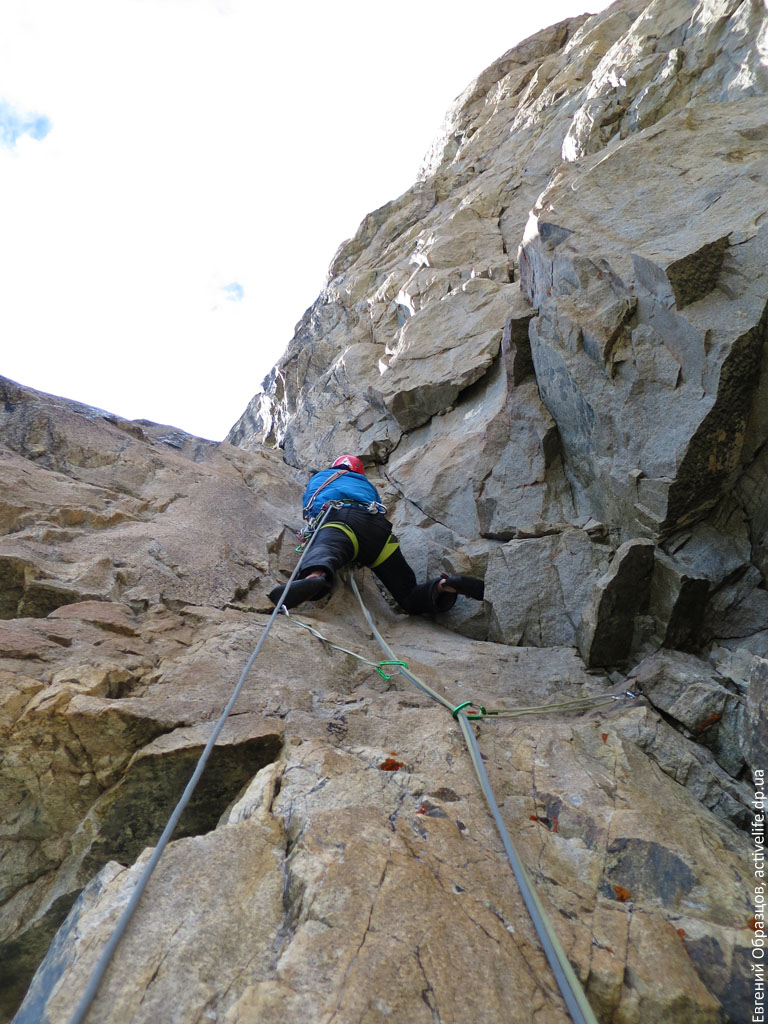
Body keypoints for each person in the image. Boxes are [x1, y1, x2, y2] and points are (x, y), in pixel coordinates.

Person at [268, 455, 485, 614]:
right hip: (377, 531)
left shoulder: (321, 477)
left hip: (339, 520)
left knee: (326, 552)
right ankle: (444, 586)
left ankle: (316, 577)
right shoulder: (365, 484)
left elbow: (310, 507)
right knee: (408, 596)